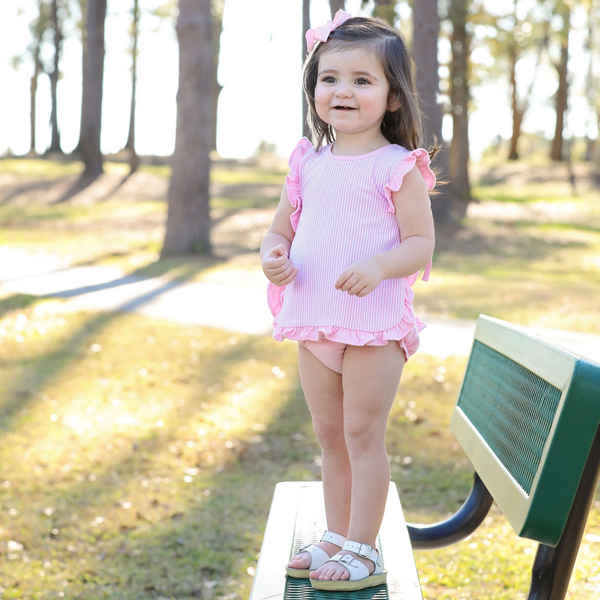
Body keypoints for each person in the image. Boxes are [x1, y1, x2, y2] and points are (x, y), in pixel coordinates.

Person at [260, 10, 437, 592]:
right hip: (313, 318)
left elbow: (420, 243)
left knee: (362, 435)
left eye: (363, 81)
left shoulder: (396, 167)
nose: (342, 91)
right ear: (313, 90)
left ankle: (365, 547)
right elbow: (280, 230)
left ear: (391, 97)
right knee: (329, 436)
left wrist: (379, 266)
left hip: (373, 326)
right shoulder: (308, 163)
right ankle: (337, 534)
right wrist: (273, 257)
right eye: (329, 78)